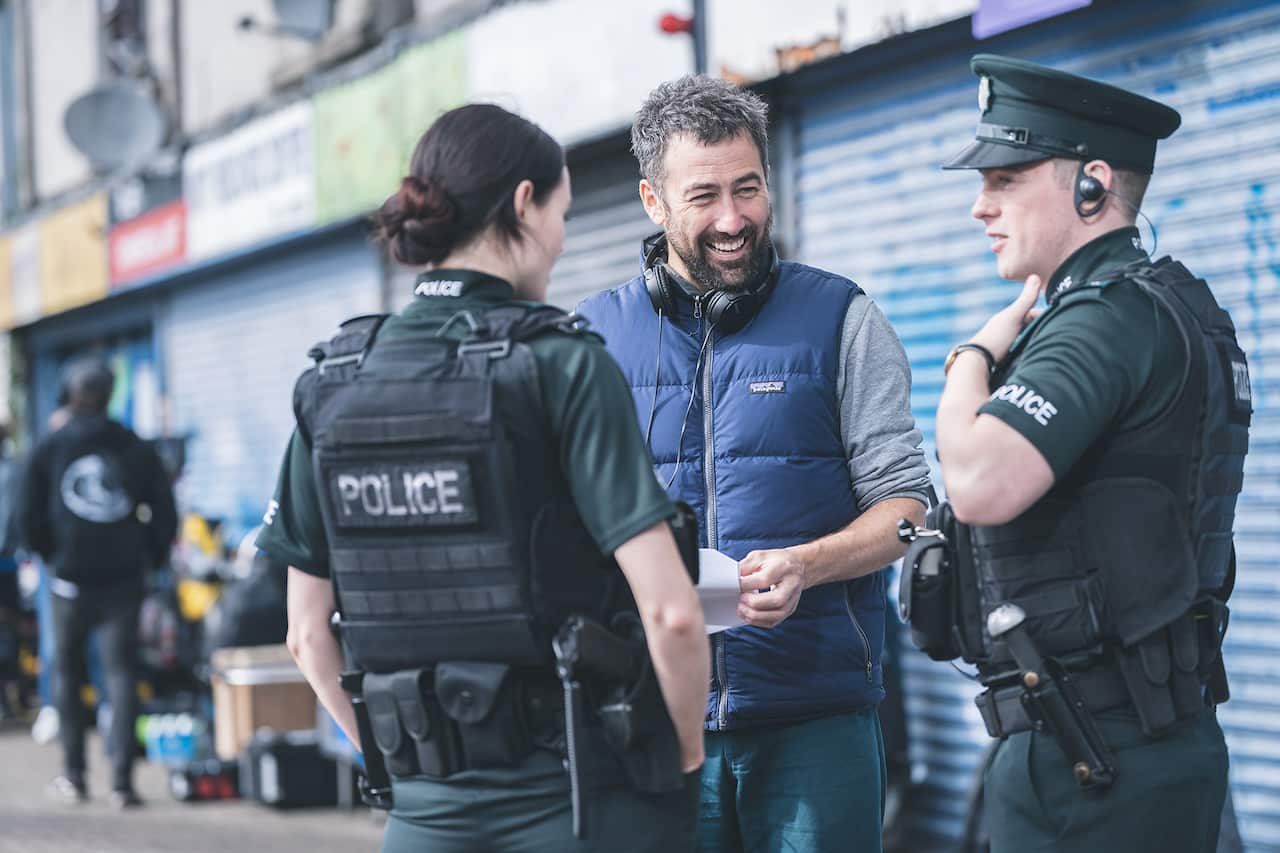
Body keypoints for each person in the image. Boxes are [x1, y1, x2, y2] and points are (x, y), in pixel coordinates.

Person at [256, 103, 708, 853]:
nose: (562, 242)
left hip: (421, 819)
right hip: (582, 806)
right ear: (525, 203)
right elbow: (673, 613)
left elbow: (307, 634)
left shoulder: (334, 380)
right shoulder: (561, 362)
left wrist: (394, 771)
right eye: (562, 213)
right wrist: (684, 760)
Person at [577, 76, 931, 853]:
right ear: (651, 201)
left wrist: (809, 562)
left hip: (818, 727)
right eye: (703, 196)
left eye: (749, 188)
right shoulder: (590, 341)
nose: (733, 219)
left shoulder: (844, 319)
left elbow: (908, 509)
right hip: (651, 721)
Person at [927, 54, 1250, 852]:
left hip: (1092, 767)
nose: (980, 206)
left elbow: (977, 479)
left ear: (1091, 184)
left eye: (1005, 178)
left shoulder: (1102, 322)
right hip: (1134, 740)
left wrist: (969, 357)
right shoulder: (1159, 305)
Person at [17, 359, 178, 808]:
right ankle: (123, 784)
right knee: (121, 674)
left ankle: (74, 776)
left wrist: (51, 556)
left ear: (69, 394)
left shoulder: (48, 447)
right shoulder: (134, 446)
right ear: (109, 395)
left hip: (68, 581)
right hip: (124, 581)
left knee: (67, 674)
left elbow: (25, 516)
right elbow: (165, 514)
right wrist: (150, 556)